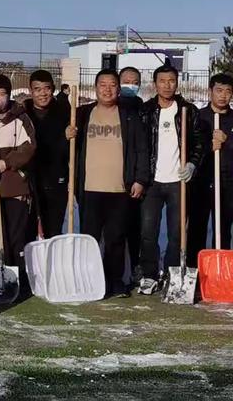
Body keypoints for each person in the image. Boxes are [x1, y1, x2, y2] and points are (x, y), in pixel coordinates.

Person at [74, 69, 149, 297]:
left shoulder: (128, 116)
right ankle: (88, 282)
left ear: (118, 88)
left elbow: (141, 149)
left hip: (119, 189)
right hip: (89, 188)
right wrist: (68, 134)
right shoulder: (81, 114)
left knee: (116, 238)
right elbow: (66, 148)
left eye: (112, 85)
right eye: (103, 85)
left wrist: (140, 179)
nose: (108, 89)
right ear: (95, 88)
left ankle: (113, 282)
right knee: (89, 239)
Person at [138, 64, 204, 294]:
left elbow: (199, 143)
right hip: (152, 182)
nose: (167, 85)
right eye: (162, 81)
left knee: (177, 234)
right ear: (155, 84)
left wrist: (192, 163)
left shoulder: (188, 110)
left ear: (177, 83)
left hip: (179, 182)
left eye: (172, 81)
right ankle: (148, 274)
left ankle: (171, 273)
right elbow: (139, 147)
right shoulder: (145, 111)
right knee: (148, 232)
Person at [0, 74, 36, 287]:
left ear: (9, 95)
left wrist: (6, 163)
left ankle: (16, 279)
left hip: (14, 187)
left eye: (2, 94)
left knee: (15, 236)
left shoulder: (20, 118)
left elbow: (29, 146)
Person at [188, 73, 233, 265]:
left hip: (228, 184)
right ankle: (194, 270)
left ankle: (220, 270)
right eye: (219, 90)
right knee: (197, 228)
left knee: (223, 230)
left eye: (228, 92)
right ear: (210, 92)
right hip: (202, 183)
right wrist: (209, 146)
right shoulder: (199, 118)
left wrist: (227, 141)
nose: (223, 95)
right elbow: (190, 148)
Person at [24, 70, 73, 238]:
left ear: (52, 89)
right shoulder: (23, 113)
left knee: (53, 228)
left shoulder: (64, 112)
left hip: (55, 178)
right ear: (31, 91)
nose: (42, 94)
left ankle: (52, 261)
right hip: (29, 178)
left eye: (46, 89)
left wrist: (66, 138)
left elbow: (69, 151)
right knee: (28, 227)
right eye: (37, 89)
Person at [119, 66, 143, 281]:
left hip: (135, 178)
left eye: (134, 81)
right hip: (112, 178)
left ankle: (135, 265)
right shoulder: (109, 107)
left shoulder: (142, 109)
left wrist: (140, 177)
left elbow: (143, 148)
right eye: (126, 80)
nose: (130, 84)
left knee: (135, 227)